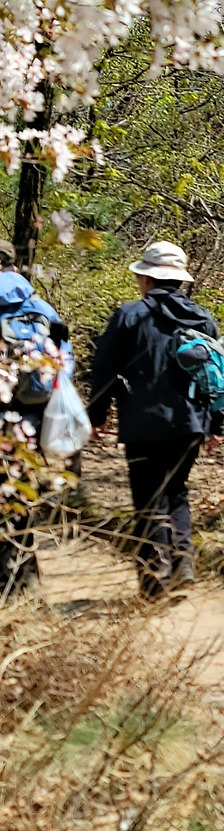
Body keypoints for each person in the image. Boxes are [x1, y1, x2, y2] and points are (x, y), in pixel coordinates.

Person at [87, 240, 222, 600]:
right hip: (192, 424)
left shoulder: (130, 316)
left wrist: (96, 417)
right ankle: (183, 566)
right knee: (176, 491)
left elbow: (103, 371)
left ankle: (155, 580)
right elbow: (218, 373)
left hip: (144, 426)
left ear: (146, 278)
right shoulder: (202, 318)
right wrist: (215, 425)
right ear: (179, 280)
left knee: (149, 500)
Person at [0, 239, 73, 597]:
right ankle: (23, 579)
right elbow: (64, 365)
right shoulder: (40, 308)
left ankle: (13, 584)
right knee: (20, 496)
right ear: (15, 266)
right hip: (29, 422)